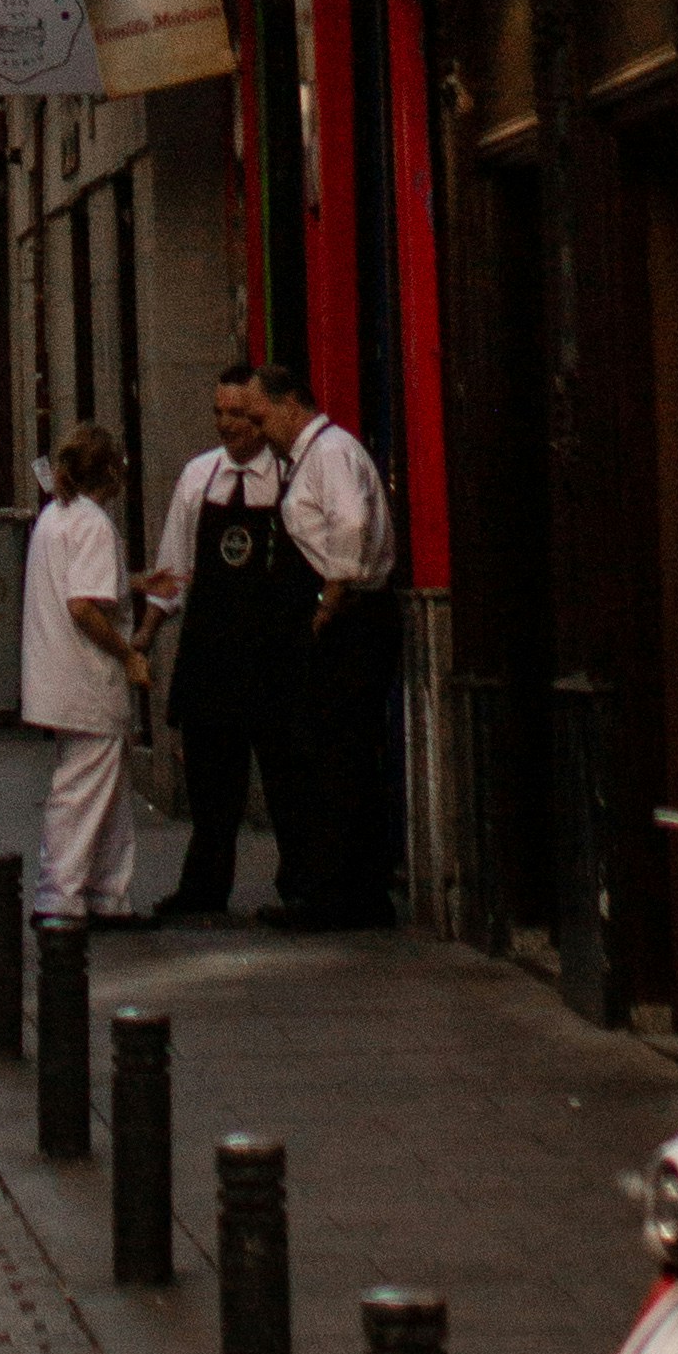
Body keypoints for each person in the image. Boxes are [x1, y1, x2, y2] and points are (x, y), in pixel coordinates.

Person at [138, 371, 306, 924]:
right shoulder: (197, 477)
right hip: (211, 651)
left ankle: (301, 884)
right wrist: (145, 634)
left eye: (238, 413)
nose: (228, 424)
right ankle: (204, 889)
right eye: (220, 413)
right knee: (211, 785)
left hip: (274, 652)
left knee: (286, 778)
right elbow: (175, 568)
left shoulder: (288, 476)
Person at [252, 360, 400, 929]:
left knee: (340, 755)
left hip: (353, 621)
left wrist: (328, 601)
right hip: (341, 619)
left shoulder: (331, 453)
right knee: (331, 752)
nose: (262, 430)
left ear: (293, 404)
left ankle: (340, 893)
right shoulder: (304, 460)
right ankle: (345, 888)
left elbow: (351, 524)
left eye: (264, 416)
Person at [23, 424, 150, 926]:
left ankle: (106, 892)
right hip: (85, 679)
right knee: (82, 787)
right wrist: (129, 655)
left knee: (104, 786)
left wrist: (137, 581)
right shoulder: (94, 523)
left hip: (58, 675)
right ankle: (60, 894)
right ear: (111, 473)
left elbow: (85, 585)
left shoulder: (56, 517)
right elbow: (83, 605)